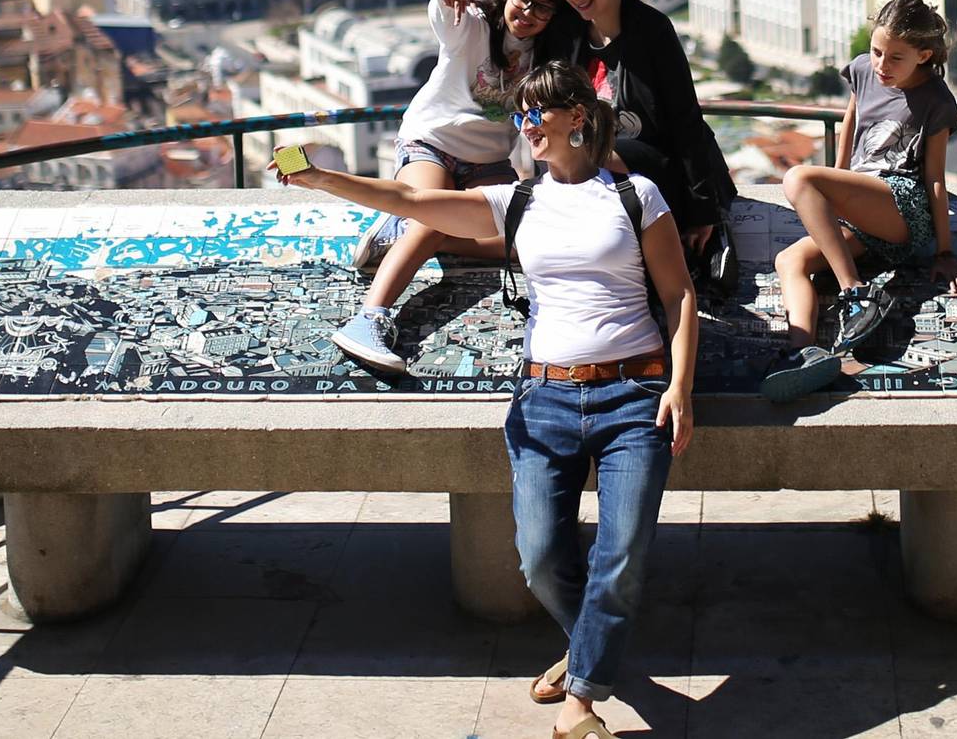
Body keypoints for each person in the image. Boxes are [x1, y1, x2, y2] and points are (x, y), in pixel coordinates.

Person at [279, 62, 695, 739]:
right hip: (545, 397)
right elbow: (411, 203)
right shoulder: (517, 201)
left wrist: (679, 385)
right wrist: (324, 178)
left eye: (537, 112)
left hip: (633, 391)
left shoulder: (635, 195)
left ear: (577, 118)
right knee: (536, 556)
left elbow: (679, 295)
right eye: (521, 113)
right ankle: (590, 646)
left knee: (622, 554)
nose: (525, 124)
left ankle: (581, 705)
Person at [330, 0, 578, 373]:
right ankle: (369, 318)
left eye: (543, 7)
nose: (529, 13)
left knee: (522, 242)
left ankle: (402, 231)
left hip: (486, 161)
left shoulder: (542, 57)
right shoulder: (473, 26)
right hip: (432, 142)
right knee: (430, 212)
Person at [760, 0, 957, 403]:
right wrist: (839, 179)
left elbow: (935, 179)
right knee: (790, 261)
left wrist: (944, 251)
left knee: (798, 177)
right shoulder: (863, 69)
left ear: (924, 56)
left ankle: (854, 291)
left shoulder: (936, 101)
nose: (881, 65)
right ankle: (802, 352)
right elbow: (851, 120)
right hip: (863, 212)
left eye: (896, 58)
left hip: (903, 205)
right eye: (877, 52)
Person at [553, 0, 738, 290]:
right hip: (598, 176)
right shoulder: (568, 34)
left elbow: (686, 122)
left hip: (656, 165)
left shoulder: (652, 31)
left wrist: (703, 210)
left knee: (585, 150)